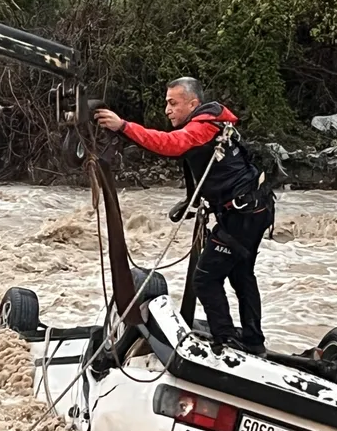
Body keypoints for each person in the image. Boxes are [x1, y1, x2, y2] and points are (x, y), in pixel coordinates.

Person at [94, 78, 275, 355]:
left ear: (193, 104)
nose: (168, 109)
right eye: (167, 102)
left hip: (242, 215)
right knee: (241, 275)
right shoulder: (214, 124)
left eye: (173, 103)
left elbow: (169, 144)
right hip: (254, 210)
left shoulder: (201, 128)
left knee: (205, 278)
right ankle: (253, 339)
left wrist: (123, 126)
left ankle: (225, 341)